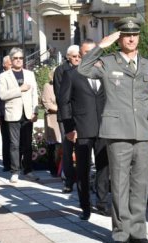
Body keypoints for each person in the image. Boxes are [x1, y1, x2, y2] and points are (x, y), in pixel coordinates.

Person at [78, 17, 148, 243]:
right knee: (121, 184)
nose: (131, 39)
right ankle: (120, 233)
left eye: (134, 35)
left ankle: (138, 232)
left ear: (139, 38)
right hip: (117, 132)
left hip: (143, 131)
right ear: (119, 39)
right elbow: (83, 69)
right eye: (126, 35)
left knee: (140, 185)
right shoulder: (107, 62)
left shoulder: (146, 64)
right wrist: (101, 46)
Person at [59, 39, 110, 220]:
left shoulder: (105, 73)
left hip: (104, 128)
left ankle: (102, 203)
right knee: (83, 169)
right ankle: (85, 205)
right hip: (82, 129)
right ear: (80, 55)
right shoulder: (72, 74)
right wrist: (69, 128)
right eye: (86, 52)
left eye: (93, 51)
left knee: (104, 167)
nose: (90, 55)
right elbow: (64, 103)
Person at [0, 48, 40, 183]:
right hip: (13, 114)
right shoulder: (4, 76)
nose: (18, 60)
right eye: (15, 58)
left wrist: (35, 111)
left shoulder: (30, 74)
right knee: (14, 144)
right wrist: (19, 90)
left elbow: (35, 94)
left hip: (27, 113)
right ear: (11, 60)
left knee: (27, 145)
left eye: (21, 58)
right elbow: (3, 95)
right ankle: (15, 171)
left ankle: (28, 170)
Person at [54, 45, 79, 193]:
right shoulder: (61, 70)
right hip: (67, 116)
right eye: (74, 56)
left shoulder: (84, 69)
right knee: (68, 148)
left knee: (84, 147)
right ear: (68, 57)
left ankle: (84, 178)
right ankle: (68, 181)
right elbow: (60, 97)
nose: (77, 59)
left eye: (79, 56)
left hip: (82, 116)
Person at [0, 55, 12, 172]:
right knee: (6, 139)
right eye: (10, 64)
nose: (12, 65)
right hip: (3, 113)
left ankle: (17, 162)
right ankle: (7, 163)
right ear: (4, 64)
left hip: (18, 112)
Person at [41, 68, 61, 177]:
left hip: (66, 118)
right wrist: (62, 109)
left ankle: (63, 167)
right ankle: (53, 168)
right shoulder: (48, 86)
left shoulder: (65, 84)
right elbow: (47, 103)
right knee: (53, 145)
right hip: (53, 118)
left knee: (64, 145)